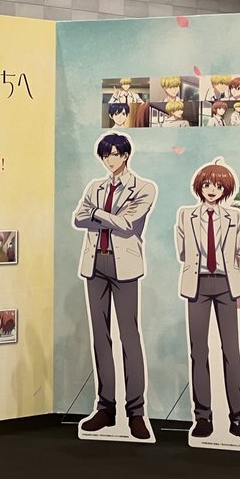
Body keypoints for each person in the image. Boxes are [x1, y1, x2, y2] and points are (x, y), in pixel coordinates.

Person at [73, 133, 157, 441]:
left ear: (125, 155)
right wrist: (105, 217)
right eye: (105, 155)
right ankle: (105, 408)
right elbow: (78, 219)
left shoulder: (144, 187)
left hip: (124, 266)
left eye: (115, 154)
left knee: (129, 337)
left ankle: (136, 412)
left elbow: (128, 224)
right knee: (101, 337)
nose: (110, 160)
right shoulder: (95, 187)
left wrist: (96, 214)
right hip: (95, 264)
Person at [175, 158, 240, 444]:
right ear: (199, 186)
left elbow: (237, 254)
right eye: (207, 185)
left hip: (226, 285)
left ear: (226, 189)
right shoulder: (185, 215)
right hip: (197, 285)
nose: (212, 190)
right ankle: (203, 417)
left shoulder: (235, 216)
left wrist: (238, 292)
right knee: (198, 351)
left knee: (231, 351)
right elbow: (183, 251)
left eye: (218, 186)